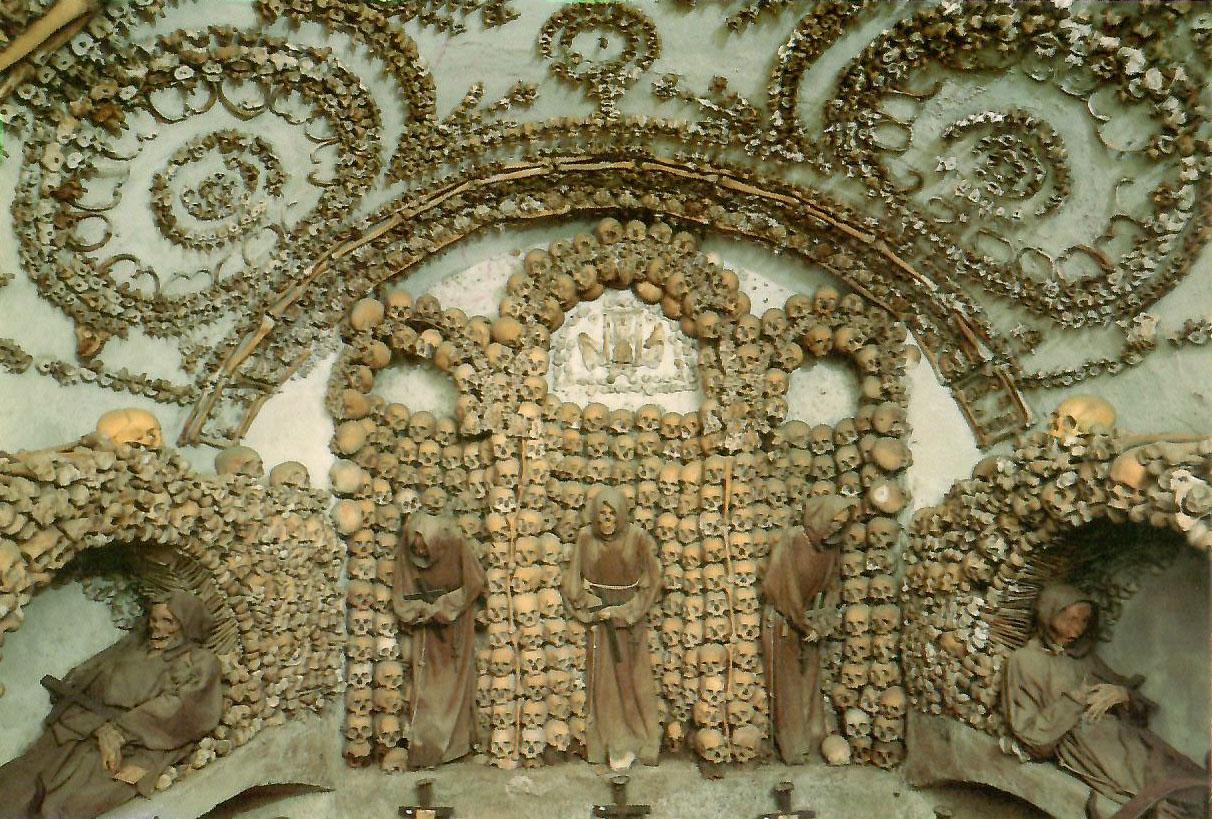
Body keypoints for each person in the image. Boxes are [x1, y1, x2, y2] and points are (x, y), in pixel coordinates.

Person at [0, 590, 222, 818]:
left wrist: (118, 732)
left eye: (168, 621)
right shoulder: (134, 646)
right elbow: (88, 673)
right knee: (19, 784)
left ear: (188, 625)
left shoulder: (200, 662)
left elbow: (180, 706)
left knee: (65, 802)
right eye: (154, 620)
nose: (157, 627)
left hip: (142, 742)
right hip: (84, 724)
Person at [1003, 582, 1207, 817]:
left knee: (1186, 778)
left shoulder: (1082, 658)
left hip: (1130, 740)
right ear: (1048, 613)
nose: (1078, 629)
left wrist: (1123, 695)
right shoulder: (1024, 662)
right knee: (1163, 794)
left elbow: (1140, 710)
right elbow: (1030, 735)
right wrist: (1074, 702)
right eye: (1071, 619)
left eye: (1084, 621)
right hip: (1091, 748)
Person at [561, 486, 662, 770]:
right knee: (604, 686)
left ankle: (642, 740)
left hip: (629, 623)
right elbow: (572, 582)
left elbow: (653, 580)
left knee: (635, 681)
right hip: (600, 624)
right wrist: (591, 608)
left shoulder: (637, 538)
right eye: (601, 515)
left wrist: (625, 612)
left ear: (622, 516)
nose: (606, 521)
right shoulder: (585, 538)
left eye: (612, 515)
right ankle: (609, 742)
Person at [763, 493, 858, 764]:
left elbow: (833, 589)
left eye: (842, 523)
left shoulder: (830, 550)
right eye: (833, 521)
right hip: (783, 622)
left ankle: (813, 740)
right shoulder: (792, 541)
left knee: (810, 683)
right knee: (788, 687)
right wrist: (804, 624)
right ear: (820, 517)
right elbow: (782, 587)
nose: (837, 527)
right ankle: (793, 747)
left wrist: (822, 624)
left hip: (810, 624)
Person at [392, 513, 485, 769]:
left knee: (456, 686)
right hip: (427, 631)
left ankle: (456, 746)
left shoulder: (456, 543)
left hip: (456, 626)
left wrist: (445, 607)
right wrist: (419, 611)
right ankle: (427, 748)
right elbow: (402, 592)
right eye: (416, 547)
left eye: (424, 546)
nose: (420, 552)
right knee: (426, 690)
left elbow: (475, 582)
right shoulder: (408, 552)